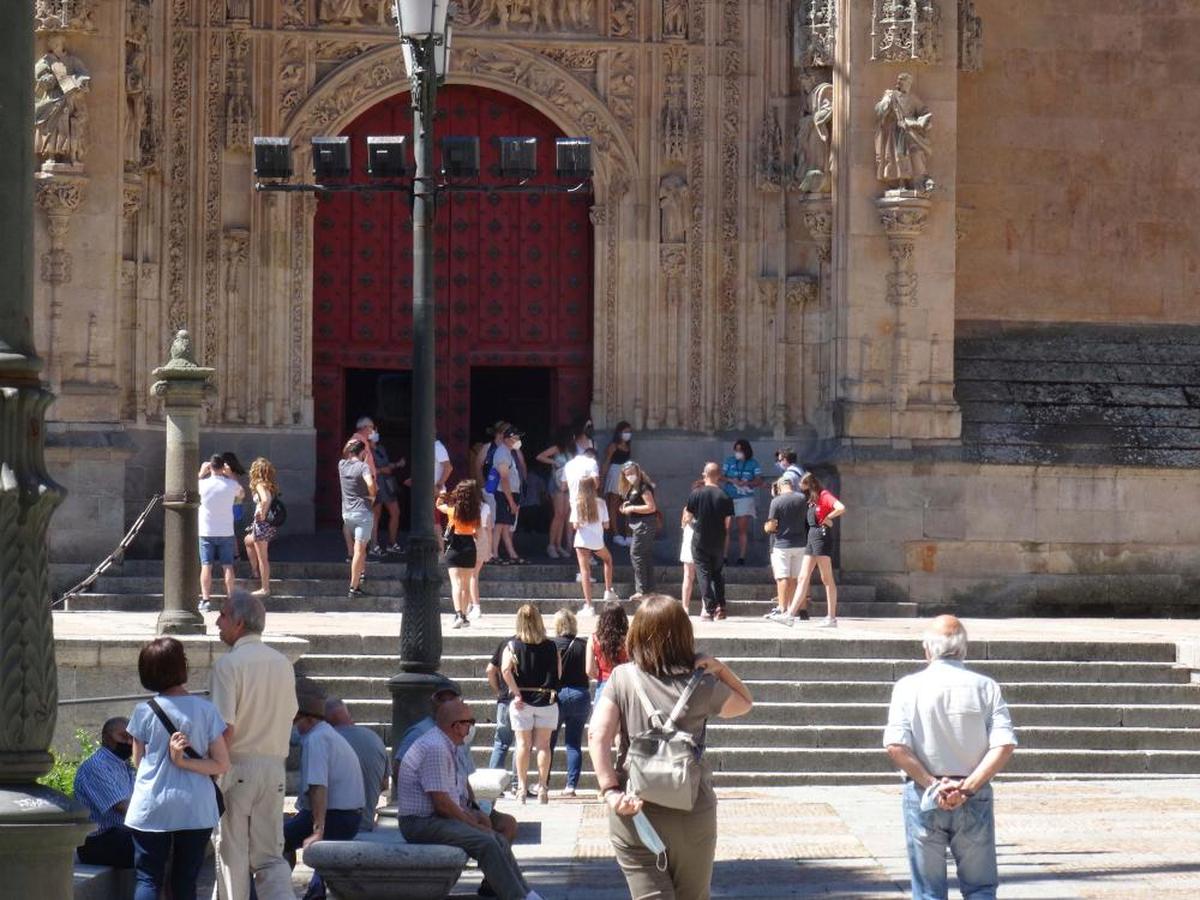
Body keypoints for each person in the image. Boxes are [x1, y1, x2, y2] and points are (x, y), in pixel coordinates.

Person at [587, 595, 753, 899]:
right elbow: (745, 702)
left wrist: (610, 790)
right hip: (692, 808)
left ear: (636, 633)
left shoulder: (622, 677)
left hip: (635, 810)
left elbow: (597, 735)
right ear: (684, 634)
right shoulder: (703, 684)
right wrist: (720, 668)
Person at [884, 616, 1018, 900]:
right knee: (980, 888)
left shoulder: (908, 687)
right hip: (973, 793)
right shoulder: (985, 687)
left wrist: (933, 784)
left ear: (927, 650)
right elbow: (1004, 744)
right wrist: (967, 787)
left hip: (923, 792)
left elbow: (896, 745)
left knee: (928, 892)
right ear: (963, 649)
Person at [397, 698, 545, 900]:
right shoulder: (436, 748)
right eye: (470, 721)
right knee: (486, 841)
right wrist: (474, 824)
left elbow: (453, 796)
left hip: (436, 818)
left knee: (498, 837)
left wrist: (475, 813)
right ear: (457, 726)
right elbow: (442, 804)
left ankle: (527, 894)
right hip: (420, 822)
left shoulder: (447, 745)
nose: (472, 727)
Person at [125, 637, 230, 900]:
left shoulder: (143, 711)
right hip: (195, 805)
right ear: (182, 666)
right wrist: (185, 762)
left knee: (148, 878)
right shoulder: (206, 711)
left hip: (152, 803)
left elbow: (138, 762)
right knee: (185, 880)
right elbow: (221, 763)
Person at [210, 589, 297, 900]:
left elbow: (225, 727)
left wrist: (212, 771)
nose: (217, 621)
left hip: (236, 765)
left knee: (231, 854)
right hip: (274, 767)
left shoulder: (229, 665)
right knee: (270, 855)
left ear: (239, 623)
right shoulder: (283, 663)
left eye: (222, 615)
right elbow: (292, 714)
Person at [394, 687, 519, 845]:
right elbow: (399, 769)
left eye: (453, 699)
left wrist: (474, 807)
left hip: (459, 802)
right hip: (434, 813)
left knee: (507, 824)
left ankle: (495, 862)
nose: (448, 703)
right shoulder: (424, 736)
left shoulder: (458, 732)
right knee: (487, 837)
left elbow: (463, 778)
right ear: (433, 702)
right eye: (442, 699)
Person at [285, 693, 365, 898]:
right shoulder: (326, 734)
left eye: (295, 721)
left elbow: (318, 787)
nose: (293, 727)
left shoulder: (316, 739)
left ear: (309, 718)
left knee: (272, 842)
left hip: (336, 817)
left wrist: (317, 829)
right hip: (349, 816)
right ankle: (314, 892)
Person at [501, 604, 561, 805]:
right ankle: (543, 787)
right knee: (543, 746)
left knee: (522, 745)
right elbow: (558, 673)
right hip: (547, 698)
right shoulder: (551, 646)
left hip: (522, 701)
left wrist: (516, 692)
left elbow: (505, 670)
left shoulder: (512, 645)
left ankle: (522, 788)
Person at [781, 472, 846, 628]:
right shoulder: (811, 500)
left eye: (805, 489)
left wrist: (827, 517)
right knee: (803, 577)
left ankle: (831, 617)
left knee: (827, 578)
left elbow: (841, 507)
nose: (803, 492)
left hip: (820, 536)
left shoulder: (824, 495)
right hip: (812, 536)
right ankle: (790, 615)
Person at [73, 717, 135, 869]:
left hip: (120, 836)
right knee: (155, 842)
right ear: (106, 737)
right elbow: (122, 807)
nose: (128, 742)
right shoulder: (96, 766)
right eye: (123, 736)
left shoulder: (124, 766)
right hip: (98, 842)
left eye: (132, 738)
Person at [325, 698, 388, 833]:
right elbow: (384, 784)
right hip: (365, 823)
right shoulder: (374, 738)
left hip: (332, 826)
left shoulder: (324, 741)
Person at [684, 463, 734, 621]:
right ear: (719, 476)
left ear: (704, 474)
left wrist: (693, 524)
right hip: (718, 540)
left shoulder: (696, 494)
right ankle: (721, 606)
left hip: (700, 538)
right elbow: (727, 524)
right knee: (717, 573)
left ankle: (710, 607)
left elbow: (688, 517)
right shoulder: (725, 496)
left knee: (703, 573)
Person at [550, 608, 590, 797]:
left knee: (548, 742)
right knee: (573, 743)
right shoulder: (583, 644)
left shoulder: (551, 645)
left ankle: (544, 782)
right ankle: (571, 785)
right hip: (580, 694)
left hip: (556, 695)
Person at [197, 454, 244, 613]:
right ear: (222, 467)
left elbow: (188, 487)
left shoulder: (201, 484)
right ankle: (231, 600)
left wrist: (201, 473)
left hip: (206, 530)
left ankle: (205, 600)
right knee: (228, 566)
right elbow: (242, 494)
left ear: (210, 467)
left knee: (206, 565)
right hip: (226, 531)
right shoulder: (231, 484)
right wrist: (230, 475)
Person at [763, 474, 811, 622]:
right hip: (801, 543)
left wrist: (766, 528)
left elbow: (772, 525)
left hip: (782, 544)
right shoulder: (802, 499)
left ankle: (782, 609)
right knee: (799, 579)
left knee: (782, 577)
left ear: (779, 486)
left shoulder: (776, 501)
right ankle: (802, 610)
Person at [438, 479, 481, 629]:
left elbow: (438, 505)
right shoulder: (476, 512)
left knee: (455, 583)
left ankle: (459, 614)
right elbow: (478, 533)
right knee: (465, 584)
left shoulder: (453, 510)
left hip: (454, 546)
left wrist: (445, 494)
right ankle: (464, 615)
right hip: (470, 546)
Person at [572, 476, 618, 616]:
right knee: (608, 560)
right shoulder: (601, 503)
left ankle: (589, 605)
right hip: (597, 540)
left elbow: (575, 525)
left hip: (582, 540)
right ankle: (608, 590)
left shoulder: (577, 503)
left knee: (585, 571)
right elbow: (606, 525)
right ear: (594, 487)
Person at [339, 437, 377, 599]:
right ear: (362, 452)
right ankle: (354, 587)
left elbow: (344, 453)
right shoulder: (363, 467)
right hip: (363, 512)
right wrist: (373, 495)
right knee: (359, 551)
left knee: (358, 549)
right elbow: (370, 483)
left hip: (347, 514)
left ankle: (360, 575)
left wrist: (352, 445)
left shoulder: (341, 465)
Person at [618, 461, 658, 600]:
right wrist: (628, 505)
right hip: (638, 525)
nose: (629, 476)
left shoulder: (643, 487)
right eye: (627, 474)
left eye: (631, 473)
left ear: (638, 472)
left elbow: (651, 507)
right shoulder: (632, 488)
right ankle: (649, 589)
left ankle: (641, 590)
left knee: (636, 554)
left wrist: (633, 508)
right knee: (644, 556)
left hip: (645, 525)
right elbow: (636, 502)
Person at [487, 426, 526, 564]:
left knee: (505, 525)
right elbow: (504, 479)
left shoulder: (508, 452)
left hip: (509, 493)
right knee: (499, 524)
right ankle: (493, 554)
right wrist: (511, 502)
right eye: (516, 438)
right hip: (504, 494)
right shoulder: (502, 453)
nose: (518, 440)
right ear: (508, 439)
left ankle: (512, 554)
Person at [535, 426, 575, 559]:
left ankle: (559, 545)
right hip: (557, 484)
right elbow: (540, 457)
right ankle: (551, 545)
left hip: (568, 484)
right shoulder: (557, 448)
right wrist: (553, 462)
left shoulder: (572, 451)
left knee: (564, 515)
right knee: (558, 514)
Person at [722, 438, 763, 565]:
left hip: (745, 498)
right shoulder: (729, 461)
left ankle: (742, 557)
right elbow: (720, 476)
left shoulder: (753, 463)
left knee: (742, 529)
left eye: (740, 450)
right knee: (726, 527)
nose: (737, 452)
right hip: (728, 496)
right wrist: (732, 480)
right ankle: (724, 556)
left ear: (746, 451)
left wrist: (748, 483)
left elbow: (759, 481)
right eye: (736, 450)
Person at [243, 457, 279, 597]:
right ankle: (255, 572)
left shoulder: (259, 484)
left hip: (261, 524)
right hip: (269, 525)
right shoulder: (270, 485)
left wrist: (262, 513)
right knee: (248, 541)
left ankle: (265, 588)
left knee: (263, 558)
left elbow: (265, 499)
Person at [585, 600, 628, 705]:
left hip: (604, 683)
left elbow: (589, 670)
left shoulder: (594, 638)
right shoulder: (629, 638)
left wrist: (600, 676)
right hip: (625, 684)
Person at [369, 431, 403, 556]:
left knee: (395, 512)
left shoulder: (381, 448)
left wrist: (397, 464)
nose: (376, 433)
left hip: (387, 485)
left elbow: (386, 465)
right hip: (376, 485)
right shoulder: (367, 451)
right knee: (376, 515)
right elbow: (367, 469)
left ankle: (392, 543)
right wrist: (382, 470)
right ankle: (374, 545)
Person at [486, 638, 516, 772]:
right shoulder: (536, 643)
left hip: (505, 700)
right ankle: (518, 784)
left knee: (501, 742)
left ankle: (493, 782)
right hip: (527, 700)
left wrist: (498, 690)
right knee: (522, 745)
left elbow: (490, 670)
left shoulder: (506, 643)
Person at [600, 422, 633, 546]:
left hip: (627, 473)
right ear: (619, 432)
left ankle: (628, 533)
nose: (627, 434)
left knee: (627, 504)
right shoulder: (613, 446)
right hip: (615, 473)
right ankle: (616, 534)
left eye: (629, 431)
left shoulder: (628, 446)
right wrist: (602, 478)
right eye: (625, 431)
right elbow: (607, 462)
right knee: (613, 504)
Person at [678, 474, 704, 612]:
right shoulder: (688, 507)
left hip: (704, 542)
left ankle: (706, 606)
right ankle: (685, 606)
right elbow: (684, 523)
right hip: (690, 541)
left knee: (704, 575)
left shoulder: (709, 507)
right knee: (688, 575)